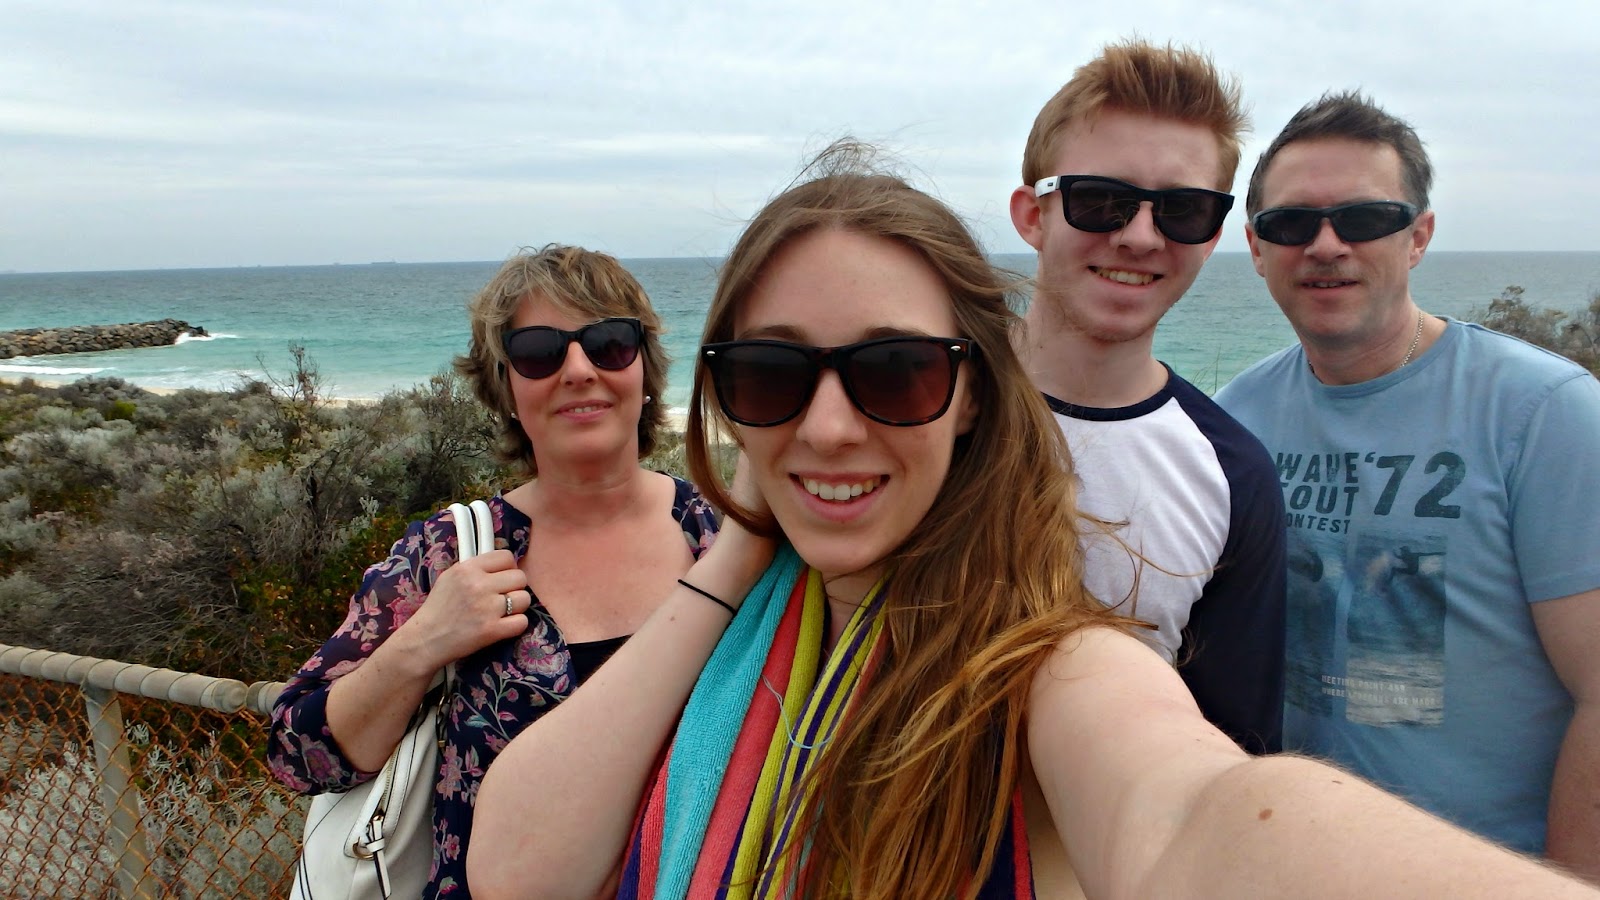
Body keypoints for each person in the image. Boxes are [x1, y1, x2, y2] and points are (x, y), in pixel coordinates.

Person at [467, 145, 1600, 899]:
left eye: (896, 371)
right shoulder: (734, 621)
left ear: (971, 395)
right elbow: (517, 869)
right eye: (771, 374)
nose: (827, 428)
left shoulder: (1048, 664)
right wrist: (740, 549)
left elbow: (1191, 814)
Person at [1215, 91, 1600, 878]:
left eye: (1363, 219)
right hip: (1290, 865)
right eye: (1292, 223)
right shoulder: (1235, 419)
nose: (1326, 245)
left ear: (1417, 236)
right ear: (1256, 247)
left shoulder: (1543, 414)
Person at [266, 245, 719, 898]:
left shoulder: (719, 538)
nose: (579, 370)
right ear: (505, 388)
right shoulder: (450, 553)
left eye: (609, 343)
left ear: (644, 368)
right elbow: (296, 754)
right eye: (539, 352)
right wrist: (424, 642)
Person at [1009, 39, 1286, 753]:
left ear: (1213, 235)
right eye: (1101, 201)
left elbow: (1226, 753)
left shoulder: (1232, 474)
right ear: (1033, 215)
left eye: (1183, 210)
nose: (1139, 236)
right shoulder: (917, 398)